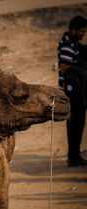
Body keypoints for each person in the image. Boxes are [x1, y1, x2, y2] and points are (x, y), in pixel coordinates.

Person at [58, 15, 87, 167]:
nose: (83, 34)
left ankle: (74, 156)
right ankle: (73, 157)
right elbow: (64, 68)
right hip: (72, 94)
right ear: (73, 30)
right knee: (75, 124)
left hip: (76, 92)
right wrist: (81, 72)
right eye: (81, 31)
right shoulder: (68, 45)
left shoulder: (73, 43)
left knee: (78, 124)